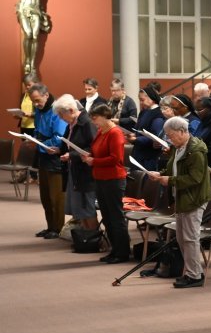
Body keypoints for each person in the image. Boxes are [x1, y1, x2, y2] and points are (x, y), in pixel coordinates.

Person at [157, 115, 211, 288]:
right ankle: (192, 272)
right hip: (182, 197)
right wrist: (161, 174)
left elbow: (195, 178)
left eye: (171, 135)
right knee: (182, 238)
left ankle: (194, 276)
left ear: (182, 131)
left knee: (190, 238)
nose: (168, 139)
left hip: (193, 199)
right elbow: (174, 167)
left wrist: (170, 180)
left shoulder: (195, 151)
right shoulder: (179, 147)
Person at [83, 104, 130, 264]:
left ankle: (122, 252)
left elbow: (115, 159)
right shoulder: (101, 131)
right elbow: (97, 150)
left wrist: (93, 161)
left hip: (114, 179)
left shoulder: (115, 132)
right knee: (107, 216)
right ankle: (114, 250)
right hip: (101, 178)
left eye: (95, 118)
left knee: (116, 217)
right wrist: (89, 155)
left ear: (104, 116)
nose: (93, 121)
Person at [53, 94, 99, 234]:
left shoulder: (87, 123)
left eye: (61, 115)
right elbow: (69, 143)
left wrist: (72, 155)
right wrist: (59, 150)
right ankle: (85, 237)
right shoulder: (72, 123)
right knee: (79, 209)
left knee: (87, 208)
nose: (61, 118)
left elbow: (94, 147)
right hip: (75, 170)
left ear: (71, 110)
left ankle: (94, 238)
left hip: (86, 173)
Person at [29, 85, 67, 238]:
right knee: (44, 195)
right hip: (43, 154)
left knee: (56, 196)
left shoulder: (56, 110)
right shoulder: (39, 109)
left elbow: (59, 137)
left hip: (55, 157)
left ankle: (58, 228)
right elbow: (38, 128)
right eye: (33, 101)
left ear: (46, 95)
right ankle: (50, 226)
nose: (36, 104)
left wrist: (42, 145)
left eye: (37, 100)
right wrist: (34, 138)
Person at [129, 86, 166, 171]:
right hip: (138, 152)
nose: (141, 103)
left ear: (151, 99)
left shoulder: (158, 114)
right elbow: (137, 128)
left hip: (148, 156)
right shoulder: (144, 111)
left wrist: (136, 139)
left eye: (142, 100)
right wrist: (132, 134)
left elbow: (155, 137)